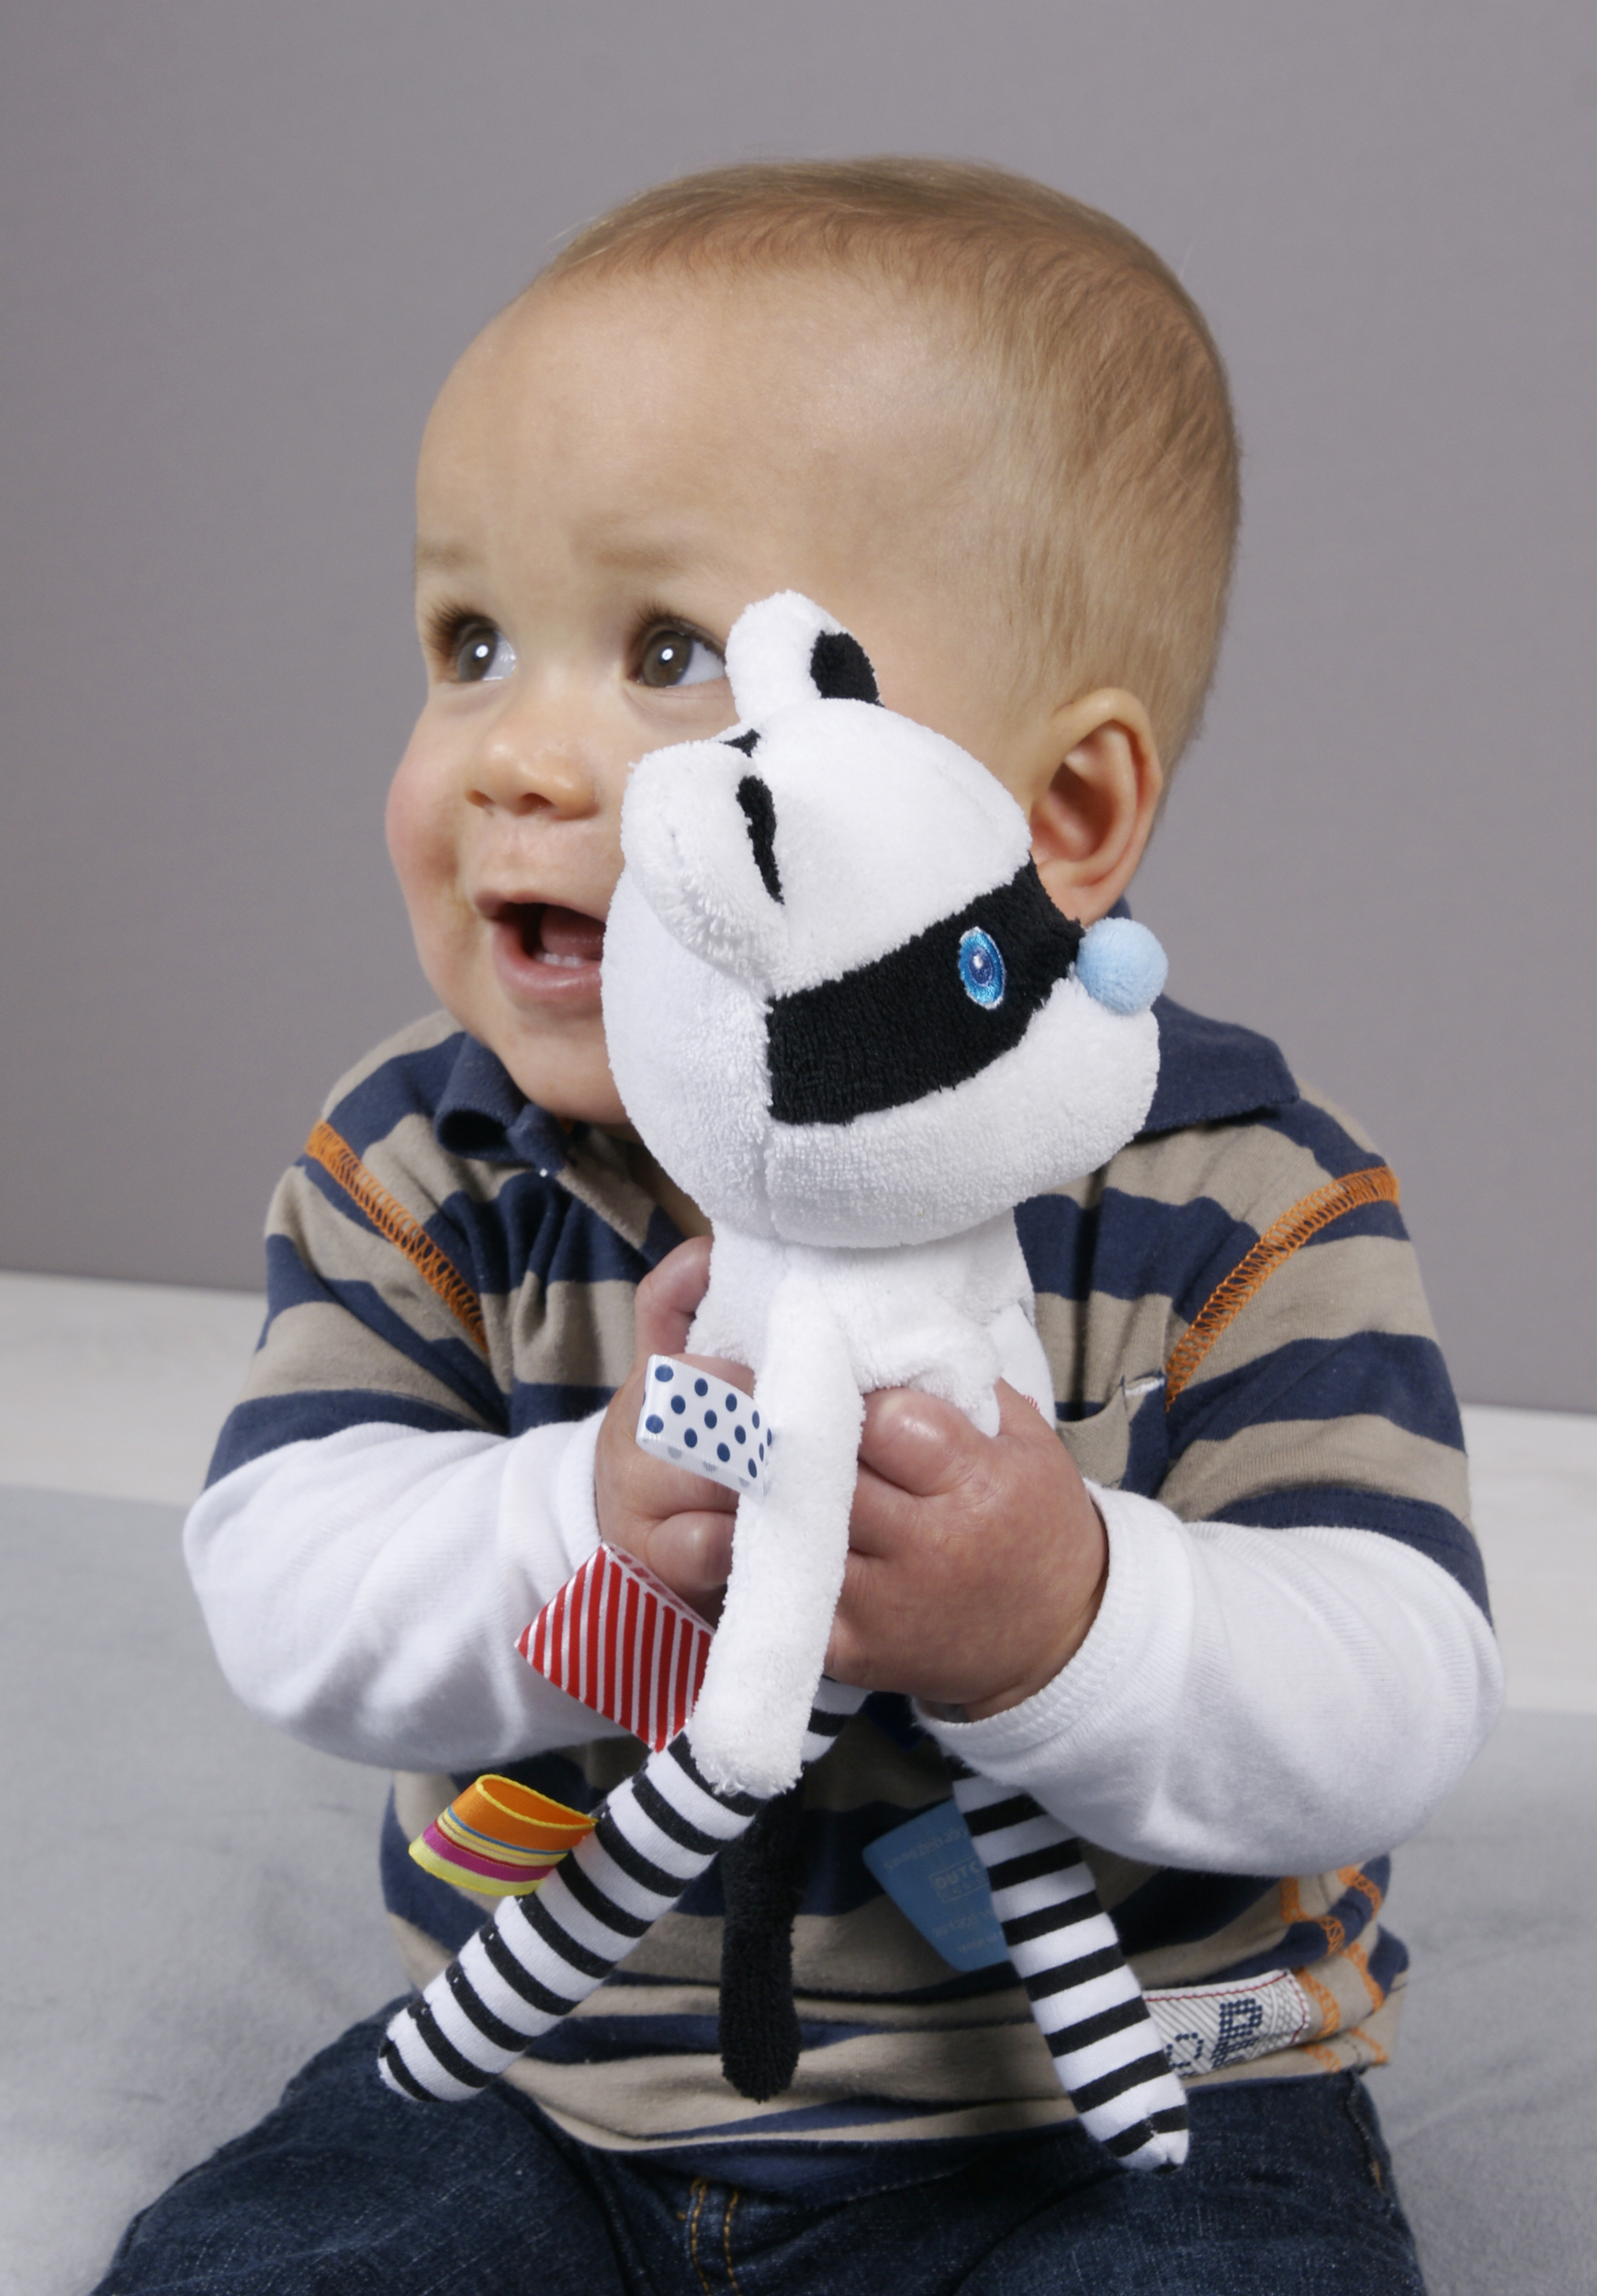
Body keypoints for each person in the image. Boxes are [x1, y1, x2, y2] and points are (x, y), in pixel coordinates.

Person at [96, 160, 1499, 2292]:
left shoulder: (1236, 1185)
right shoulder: (433, 1157)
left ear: (1059, 817)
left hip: (1121, 2102)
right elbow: (287, 1582)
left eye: (671, 653)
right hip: (550, 2076)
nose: (518, 752)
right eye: (471, 643)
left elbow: (1393, 1679)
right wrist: (582, 1518)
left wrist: (1064, 1615)